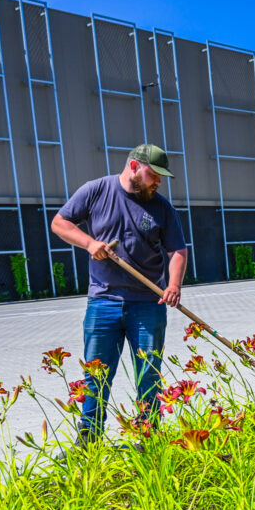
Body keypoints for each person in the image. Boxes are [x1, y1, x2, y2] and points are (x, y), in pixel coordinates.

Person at [51, 144, 188, 440]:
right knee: (96, 376)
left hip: (148, 305)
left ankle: (147, 440)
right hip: (103, 303)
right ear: (135, 166)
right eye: (155, 174)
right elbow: (59, 223)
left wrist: (173, 285)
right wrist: (89, 243)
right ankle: (88, 441)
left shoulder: (161, 207)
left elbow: (178, 249)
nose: (159, 182)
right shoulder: (96, 190)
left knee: (148, 376)